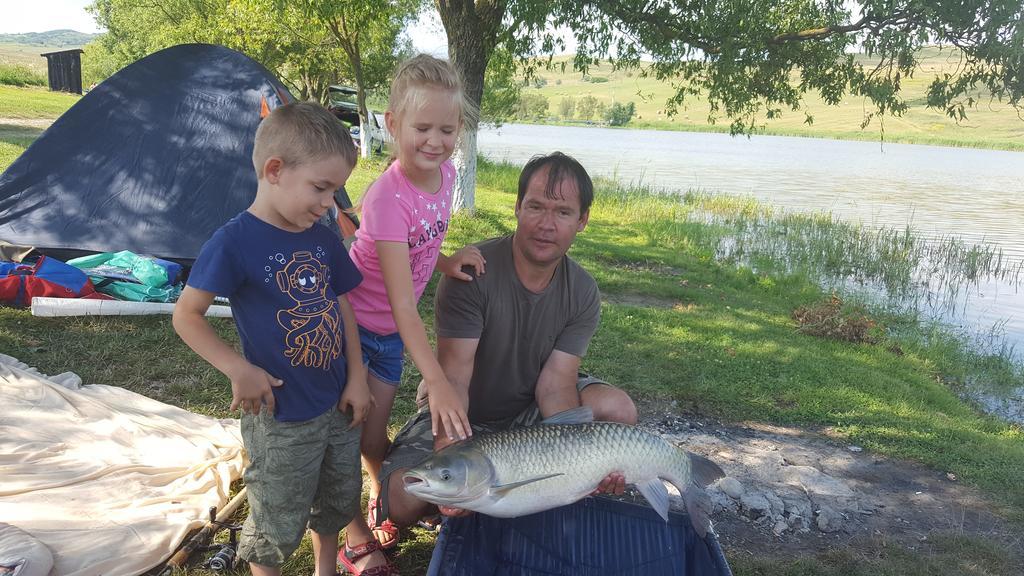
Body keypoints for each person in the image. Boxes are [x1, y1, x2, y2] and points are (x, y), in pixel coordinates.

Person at [376, 151, 638, 528]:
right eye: (535, 206)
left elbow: (555, 385)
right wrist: (452, 454)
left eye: (562, 212)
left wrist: (573, 465)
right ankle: (455, 500)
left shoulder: (582, 290)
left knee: (618, 410)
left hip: (530, 410)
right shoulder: (473, 272)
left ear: (582, 221)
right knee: (402, 502)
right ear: (516, 207)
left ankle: (524, 491)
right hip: (464, 414)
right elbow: (454, 379)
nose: (546, 224)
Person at [172, 101, 369, 576]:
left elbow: (342, 303)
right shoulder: (233, 242)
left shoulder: (321, 236)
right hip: (281, 417)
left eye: (336, 190)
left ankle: (326, 568)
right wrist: (238, 368)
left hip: (337, 404)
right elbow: (187, 316)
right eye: (320, 188)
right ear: (275, 170)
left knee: (336, 497)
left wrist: (358, 376)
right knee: (277, 516)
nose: (329, 203)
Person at [340, 54, 484, 575]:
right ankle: (356, 533)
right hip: (355, 329)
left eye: (447, 129)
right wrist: (438, 379)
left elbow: (421, 245)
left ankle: (383, 502)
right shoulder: (385, 198)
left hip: (392, 333)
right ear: (392, 124)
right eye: (422, 128)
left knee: (375, 439)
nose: (435, 140)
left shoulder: (444, 177)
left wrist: (446, 262)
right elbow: (403, 302)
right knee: (354, 436)